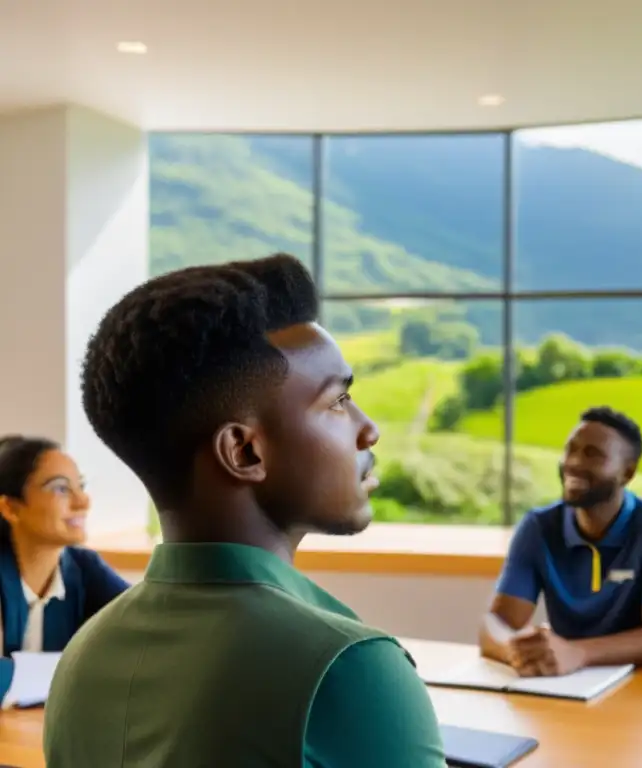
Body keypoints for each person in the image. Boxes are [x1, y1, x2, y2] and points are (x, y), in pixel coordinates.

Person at [44, 254, 445, 766]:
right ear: (244, 452)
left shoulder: (83, 656)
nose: (368, 429)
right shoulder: (348, 669)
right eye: (338, 402)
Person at [479, 407, 642, 676]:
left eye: (593, 454)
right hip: (565, 682)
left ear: (627, 472)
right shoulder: (538, 527)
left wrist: (579, 653)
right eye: (571, 449)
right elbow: (497, 622)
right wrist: (514, 650)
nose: (574, 463)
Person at [0, 435, 127, 705]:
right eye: (60, 488)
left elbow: (151, 629)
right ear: (10, 508)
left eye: (80, 486)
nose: (83, 501)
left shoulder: (84, 568)